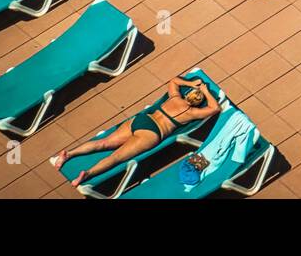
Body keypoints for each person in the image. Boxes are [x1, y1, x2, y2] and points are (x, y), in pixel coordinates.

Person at [52, 75, 220, 188]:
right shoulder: (192, 112)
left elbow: (174, 81)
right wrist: (206, 92)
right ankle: (87, 174)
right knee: (116, 157)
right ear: (198, 102)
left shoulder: (174, 97)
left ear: (188, 94)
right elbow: (215, 108)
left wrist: (190, 84)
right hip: (152, 133)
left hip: (142, 120)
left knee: (103, 143)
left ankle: (69, 154)